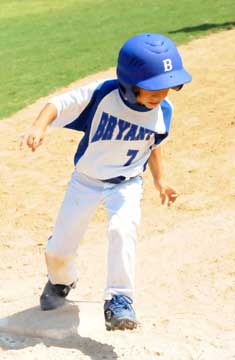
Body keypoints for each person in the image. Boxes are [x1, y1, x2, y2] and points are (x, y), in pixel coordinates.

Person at [20, 33, 192, 331]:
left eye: (167, 87)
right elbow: (57, 105)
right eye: (152, 88)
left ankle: (120, 300)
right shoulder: (102, 95)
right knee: (60, 249)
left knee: (122, 230)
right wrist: (39, 126)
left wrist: (160, 179)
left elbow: (152, 143)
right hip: (85, 181)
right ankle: (61, 282)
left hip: (126, 184)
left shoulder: (164, 110)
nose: (160, 95)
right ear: (128, 82)